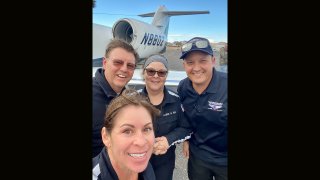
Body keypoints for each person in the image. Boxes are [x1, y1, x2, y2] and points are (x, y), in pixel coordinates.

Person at [177, 37, 228, 180]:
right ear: (184, 65)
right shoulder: (183, 87)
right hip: (198, 157)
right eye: (190, 62)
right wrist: (186, 139)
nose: (196, 68)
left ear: (213, 61)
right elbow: (184, 117)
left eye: (203, 61)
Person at [138, 54, 192, 180]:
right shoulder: (132, 100)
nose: (156, 76)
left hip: (164, 164)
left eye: (161, 72)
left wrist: (168, 139)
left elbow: (186, 128)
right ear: (144, 73)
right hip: (137, 161)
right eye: (151, 71)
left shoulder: (176, 101)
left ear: (166, 75)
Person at [92, 89, 160, 180]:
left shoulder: (143, 164)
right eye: (127, 131)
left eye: (147, 129)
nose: (141, 142)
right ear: (106, 137)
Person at [93, 39, 139, 157]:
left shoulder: (128, 97)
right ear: (104, 63)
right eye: (117, 62)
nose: (124, 69)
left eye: (130, 65)